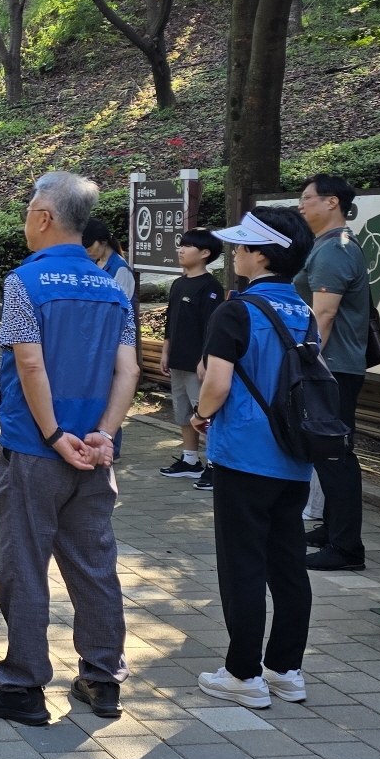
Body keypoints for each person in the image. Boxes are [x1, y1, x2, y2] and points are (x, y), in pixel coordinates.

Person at [0, 172, 138, 727]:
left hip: (35, 449)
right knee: (95, 565)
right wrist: (105, 434)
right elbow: (127, 368)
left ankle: (22, 684)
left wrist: (50, 434)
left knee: (25, 564)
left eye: (27, 211)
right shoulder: (113, 286)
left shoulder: (25, 282)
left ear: (44, 216)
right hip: (94, 452)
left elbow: (30, 362)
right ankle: (102, 678)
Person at [189, 208, 318, 710]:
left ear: (261, 254)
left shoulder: (236, 310)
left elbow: (216, 383)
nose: (234, 254)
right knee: (288, 565)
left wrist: (201, 417)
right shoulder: (301, 311)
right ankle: (286, 669)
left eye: (241, 247)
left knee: (242, 565)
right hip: (295, 453)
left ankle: (243, 674)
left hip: (245, 452)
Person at [296, 174, 374, 571]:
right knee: (328, 452)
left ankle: (346, 548)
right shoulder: (327, 247)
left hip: (333, 369)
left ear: (331, 203)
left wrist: (306, 366)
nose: (301, 205)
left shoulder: (334, 250)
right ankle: (333, 530)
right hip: (335, 367)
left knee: (335, 455)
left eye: (307, 198)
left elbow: (323, 315)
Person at [159, 230, 225, 487]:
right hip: (177, 360)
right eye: (181, 246)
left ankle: (214, 465)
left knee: (205, 416)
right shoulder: (178, 283)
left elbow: (213, 327)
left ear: (205, 253)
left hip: (199, 365)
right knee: (184, 413)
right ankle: (190, 461)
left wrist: (204, 359)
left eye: (187, 246)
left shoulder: (210, 287)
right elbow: (170, 322)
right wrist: (166, 351)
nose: (181, 250)